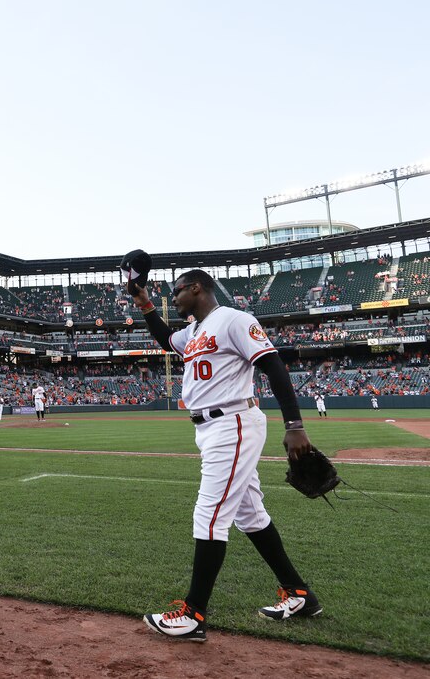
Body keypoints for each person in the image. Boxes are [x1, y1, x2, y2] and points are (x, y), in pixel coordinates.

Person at [129, 269, 321, 643]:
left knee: (209, 514)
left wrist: (294, 424)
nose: (175, 296)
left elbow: (273, 364)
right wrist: (145, 303)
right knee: (250, 515)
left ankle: (193, 614)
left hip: (232, 421)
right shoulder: (194, 330)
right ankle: (299, 594)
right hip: (211, 427)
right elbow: (166, 339)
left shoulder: (234, 320)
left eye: (177, 290)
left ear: (196, 288)